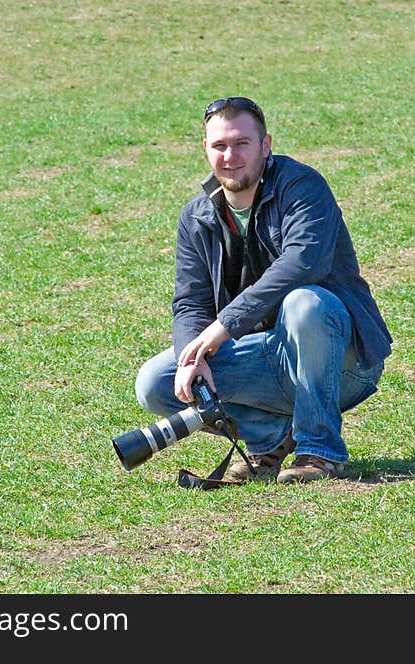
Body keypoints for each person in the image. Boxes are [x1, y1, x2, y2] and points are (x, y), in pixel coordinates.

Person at [135, 96, 392, 483]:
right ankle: (270, 439)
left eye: (242, 143)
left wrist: (222, 327)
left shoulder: (301, 186)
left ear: (265, 145)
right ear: (205, 149)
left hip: (344, 361)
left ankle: (319, 452)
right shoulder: (196, 216)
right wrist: (195, 355)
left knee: (305, 302)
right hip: (269, 357)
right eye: (219, 145)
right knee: (156, 382)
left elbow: (304, 263)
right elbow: (190, 302)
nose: (230, 156)